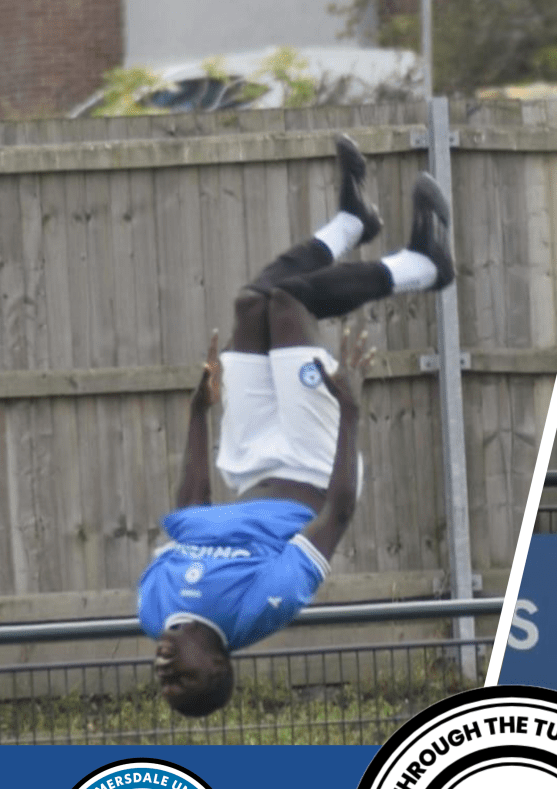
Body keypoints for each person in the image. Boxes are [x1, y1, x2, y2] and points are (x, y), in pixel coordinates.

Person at [138, 136, 454, 717]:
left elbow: (190, 511)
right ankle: (420, 267)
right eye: (180, 682)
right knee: (287, 302)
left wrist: (196, 413)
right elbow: (337, 515)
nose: (164, 673)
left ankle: (352, 224)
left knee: (247, 305)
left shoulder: (152, 608)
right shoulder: (262, 608)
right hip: (312, 460)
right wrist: (351, 412)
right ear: (216, 665)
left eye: (162, 685)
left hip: (249, 457)